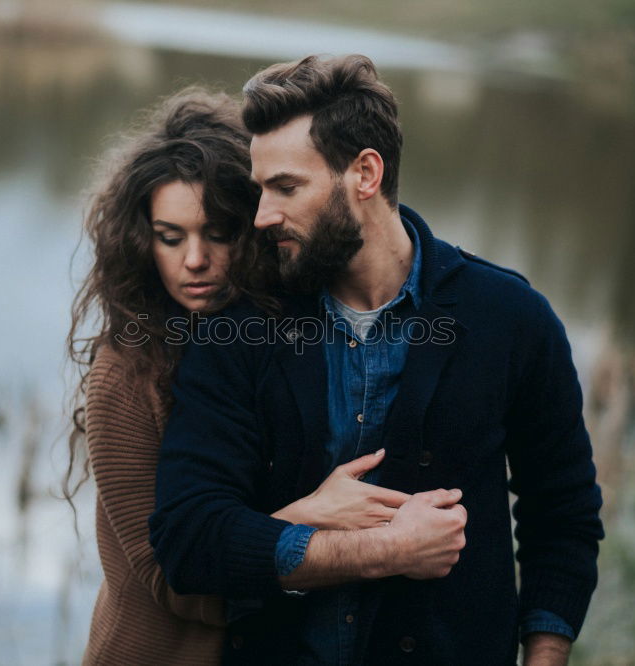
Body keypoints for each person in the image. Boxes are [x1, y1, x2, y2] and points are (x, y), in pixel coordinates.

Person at [149, 56, 605, 665]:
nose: (262, 216)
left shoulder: (511, 319)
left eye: (286, 188)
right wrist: (386, 549)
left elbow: (562, 517)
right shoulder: (241, 330)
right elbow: (188, 538)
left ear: (365, 173)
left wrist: (545, 656)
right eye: (261, 191)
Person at [65, 88, 412, 666]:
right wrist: (310, 516)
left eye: (217, 234)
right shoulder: (126, 372)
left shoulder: (277, 336)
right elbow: (172, 576)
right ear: (141, 241)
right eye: (170, 237)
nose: (194, 260)